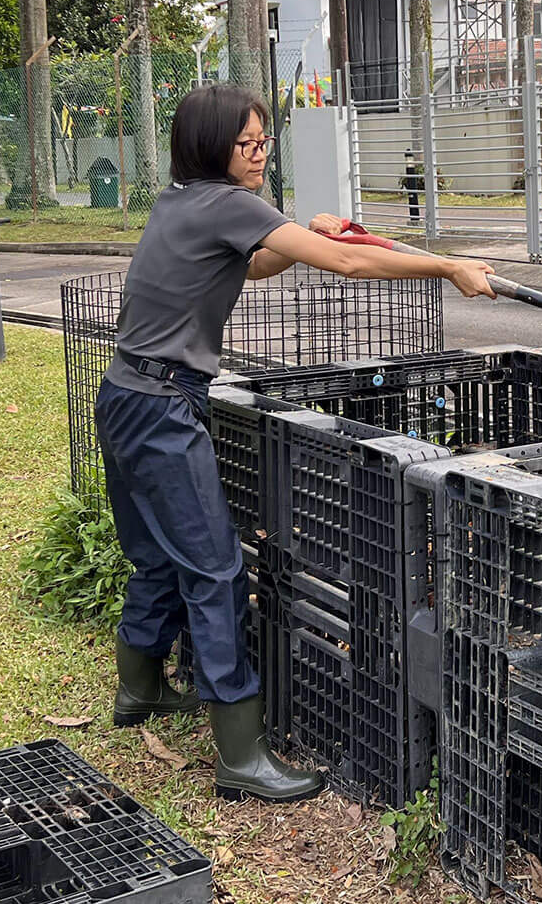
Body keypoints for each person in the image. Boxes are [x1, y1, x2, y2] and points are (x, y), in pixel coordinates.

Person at [95, 87, 495, 803]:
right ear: (213, 147)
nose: (260, 153)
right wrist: (448, 267)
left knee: (157, 551)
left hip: (125, 395)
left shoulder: (179, 203)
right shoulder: (228, 203)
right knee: (214, 569)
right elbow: (348, 268)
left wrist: (305, 237)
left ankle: (140, 690)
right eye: (248, 143)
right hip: (162, 409)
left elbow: (248, 265)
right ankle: (241, 756)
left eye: (263, 141)